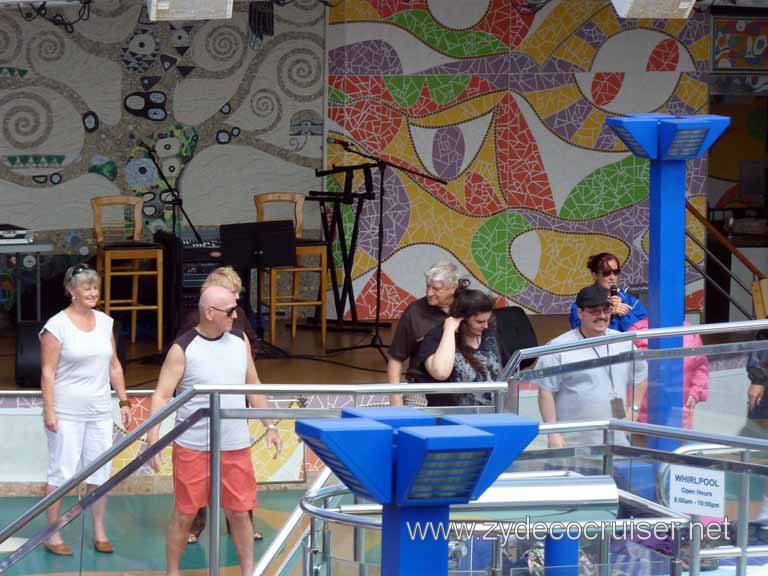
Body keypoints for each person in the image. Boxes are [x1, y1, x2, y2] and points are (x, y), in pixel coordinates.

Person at [146, 285, 282, 576]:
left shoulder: (239, 340)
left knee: (239, 513)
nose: (236, 315)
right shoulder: (182, 348)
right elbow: (161, 394)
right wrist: (152, 436)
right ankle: (172, 572)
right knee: (185, 513)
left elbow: (253, 384)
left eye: (237, 308)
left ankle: (249, 572)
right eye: (230, 310)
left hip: (234, 444)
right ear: (209, 312)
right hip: (193, 445)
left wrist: (269, 424)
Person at [39, 263, 131, 556]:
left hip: (100, 410)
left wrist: (125, 400)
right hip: (67, 411)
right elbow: (48, 372)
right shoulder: (57, 326)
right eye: (87, 287)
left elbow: (113, 364)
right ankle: (52, 534)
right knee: (62, 473)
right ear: (71, 291)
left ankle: (100, 530)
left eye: (95, 287)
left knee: (100, 472)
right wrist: (49, 411)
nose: (93, 292)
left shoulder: (105, 322)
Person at [180, 267, 261, 543]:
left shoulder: (238, 325)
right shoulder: (193, 323)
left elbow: (252, 361)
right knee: (197, 483)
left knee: (238, 482)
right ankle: (194, 526)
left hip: (233, 406)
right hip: (200, 419)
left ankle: (242, 526)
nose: (237, 299)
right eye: (232, 292)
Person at [538, 285, 647, 448]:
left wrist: (634, 410)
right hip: (573, 444)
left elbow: (641, 375)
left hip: (616, 442)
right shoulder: (559, 347)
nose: (602, 316)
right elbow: (546, 391)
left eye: (606, 310)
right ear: (580, 313)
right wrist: (552, 433)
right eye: (595, 311)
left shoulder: (623, 341)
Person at [388, 261, 459, 407]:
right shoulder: (414, 313)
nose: (429, 293)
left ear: (453, 288)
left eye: (436, 289)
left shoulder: (466, 307)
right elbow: (396, 357)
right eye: (428, 286)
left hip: (459, 388)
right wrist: (395, 398)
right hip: (421, 388)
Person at [416, 287, 502, 407]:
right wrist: (450, 329)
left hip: (491, 413)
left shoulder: (488, 334)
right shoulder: (435, 338)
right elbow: (441, 373)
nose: (486, 326)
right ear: (463, 319)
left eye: (487, 320)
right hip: (453, 417)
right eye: (479, 322)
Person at [630, 318, 708, 429]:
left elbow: (700, 366)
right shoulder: (637, 331)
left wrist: (695, 393)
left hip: (680, 411)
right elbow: (627, 372)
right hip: (645, 415)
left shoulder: (689, 331)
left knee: (680, 444)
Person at [569, 252, 647, 332]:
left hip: (626, 344)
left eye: (616, 272)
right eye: (606, 273)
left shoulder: (630, 301)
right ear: (595, 275)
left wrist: (625, 314)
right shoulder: (583, 301)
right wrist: (608, 312)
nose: (612, 277)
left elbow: (642, 330)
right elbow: (578, 328)